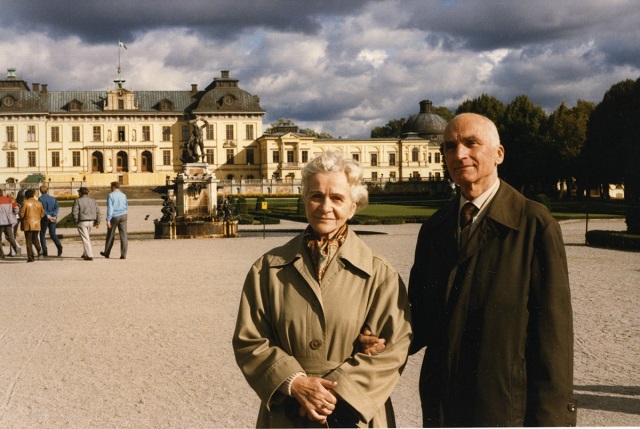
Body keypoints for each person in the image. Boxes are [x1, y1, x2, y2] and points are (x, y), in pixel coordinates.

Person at [399, 113, 575, 426]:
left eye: (471, 143)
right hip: (442, 407)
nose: (459, 154)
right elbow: (420, 318)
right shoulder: (434, 229)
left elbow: (553, 340)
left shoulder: (535, 225)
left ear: (499, 154)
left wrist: (553, 420)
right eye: (450, 147)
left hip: (502, 409)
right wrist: (380, 336)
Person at [232, 150, 412, 427]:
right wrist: (295, 383)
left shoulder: (380, 273)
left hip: (352, 416)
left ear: (353, 206)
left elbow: (394, 347)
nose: (325, 206)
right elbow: (250, 340)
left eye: (337, 198)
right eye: (316, 196)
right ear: (304, 199)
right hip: (288, 411)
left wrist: (334, 396)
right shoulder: (267, 269)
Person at [100, 181, 128, 259]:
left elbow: (110, 208)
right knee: (124, 236)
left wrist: (108, 220)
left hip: (114, 216)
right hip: (123, 215)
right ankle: (123, 254)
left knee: (110, 235)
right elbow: (126, 205)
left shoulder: (111, 195)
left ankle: (107, 252)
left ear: (113, 187)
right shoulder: (123, 195)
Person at [72, 187, 100, 261]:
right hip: (91, 221)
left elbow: (75, 212)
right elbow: (97, 211)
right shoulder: (93, 200)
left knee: (85, 239)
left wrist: (76, 221)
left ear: (80, 193)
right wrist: (98, 221)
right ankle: (85, 253)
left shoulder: (78, 200)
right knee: (86, 237)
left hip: (82, 221)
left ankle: (89, 255)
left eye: (79, 192)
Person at [18, 188, 44, 262]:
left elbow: (21, 214)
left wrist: (21, 216)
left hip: (28, 223)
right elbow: (42, 214)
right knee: (35, 239)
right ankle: (39, 250)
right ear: (33, 195)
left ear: (26, 196)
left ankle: (30, 257)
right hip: (36, 223)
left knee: (28, 241)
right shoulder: (39, 203)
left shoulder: (25, 203)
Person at [38, 185, 63, 257]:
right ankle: (58, 245)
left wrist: (48, 216)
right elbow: (57, 207)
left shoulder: (40, 199)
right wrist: (54, 216)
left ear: (40, 191)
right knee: (52, 233)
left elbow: (42, 209)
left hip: (45, 218)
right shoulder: (53, 198)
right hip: (53, 217)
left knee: (42, 234)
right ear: (47, 190)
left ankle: (45, 251)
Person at [0, 189, 20, 258]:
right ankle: (16, 248)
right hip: (8, 221)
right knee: (10, 237)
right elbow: (16, 209)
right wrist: (12, 214)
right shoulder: (10, 200)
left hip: (0, 222)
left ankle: (1, 254)